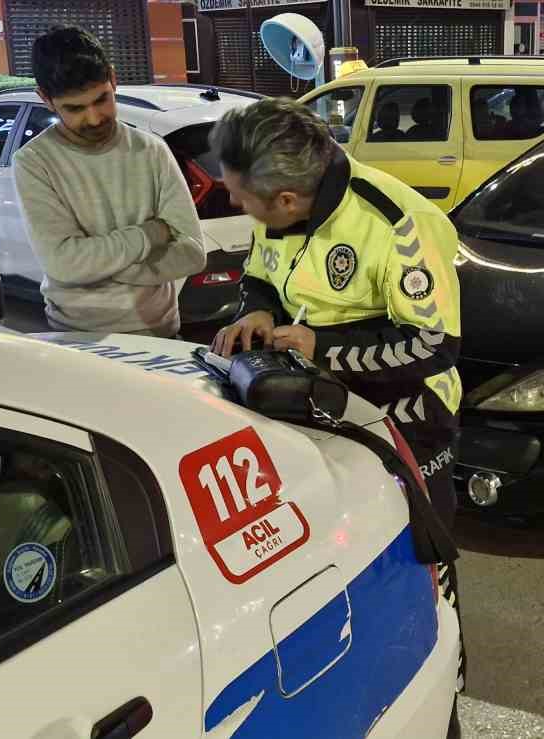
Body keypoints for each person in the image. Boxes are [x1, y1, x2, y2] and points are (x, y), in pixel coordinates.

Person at [207, 97, 466, 690]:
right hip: (312, 412)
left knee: (417, 577)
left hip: (408, 424)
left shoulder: (398, 224)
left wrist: (319, 345)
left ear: (288, 201)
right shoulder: (277, 202)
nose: (233, 204)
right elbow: (260, 275)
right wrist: (258, 316)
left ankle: (438, 691)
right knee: (336, 568)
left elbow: (433, 345)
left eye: (240, 198)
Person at [12, 26, 205, 337]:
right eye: (74, 108)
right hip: (76, 335)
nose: (94, 118)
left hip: (161, 334)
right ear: (45, 99)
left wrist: (97, 265)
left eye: (102, 99)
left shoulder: (151, 150)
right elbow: (63, 265)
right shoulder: (34, 162)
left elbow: (193, 253)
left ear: (113, 79)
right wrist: (150, 235)